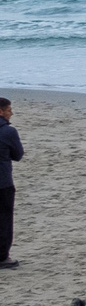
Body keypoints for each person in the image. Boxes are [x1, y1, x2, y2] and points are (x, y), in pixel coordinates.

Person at [0, 97, 20, 268]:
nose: (11, 113)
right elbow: (18, 154)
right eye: (8, 110)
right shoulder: (8, 132)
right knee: (4, 219)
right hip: (3, 182)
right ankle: (2, 257)